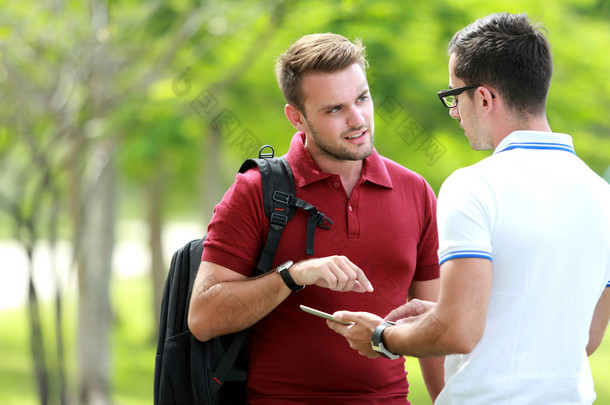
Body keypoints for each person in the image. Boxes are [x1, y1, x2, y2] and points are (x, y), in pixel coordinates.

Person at [328, 12, 610, 404]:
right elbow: (585, 337)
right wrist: (447, 309)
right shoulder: (602, 196)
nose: (454, 111)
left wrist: (381, 336)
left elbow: (459, 331)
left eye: (453, 96)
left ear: (483, 97)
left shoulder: (473, 186)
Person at [187, 33, 445, 404]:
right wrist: (294, 275)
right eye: (334, 109)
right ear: (297, 117)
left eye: (362, 98)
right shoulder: (256, 190)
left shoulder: (416, 191)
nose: (357, 120)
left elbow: (431, 327)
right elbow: (203, 316)